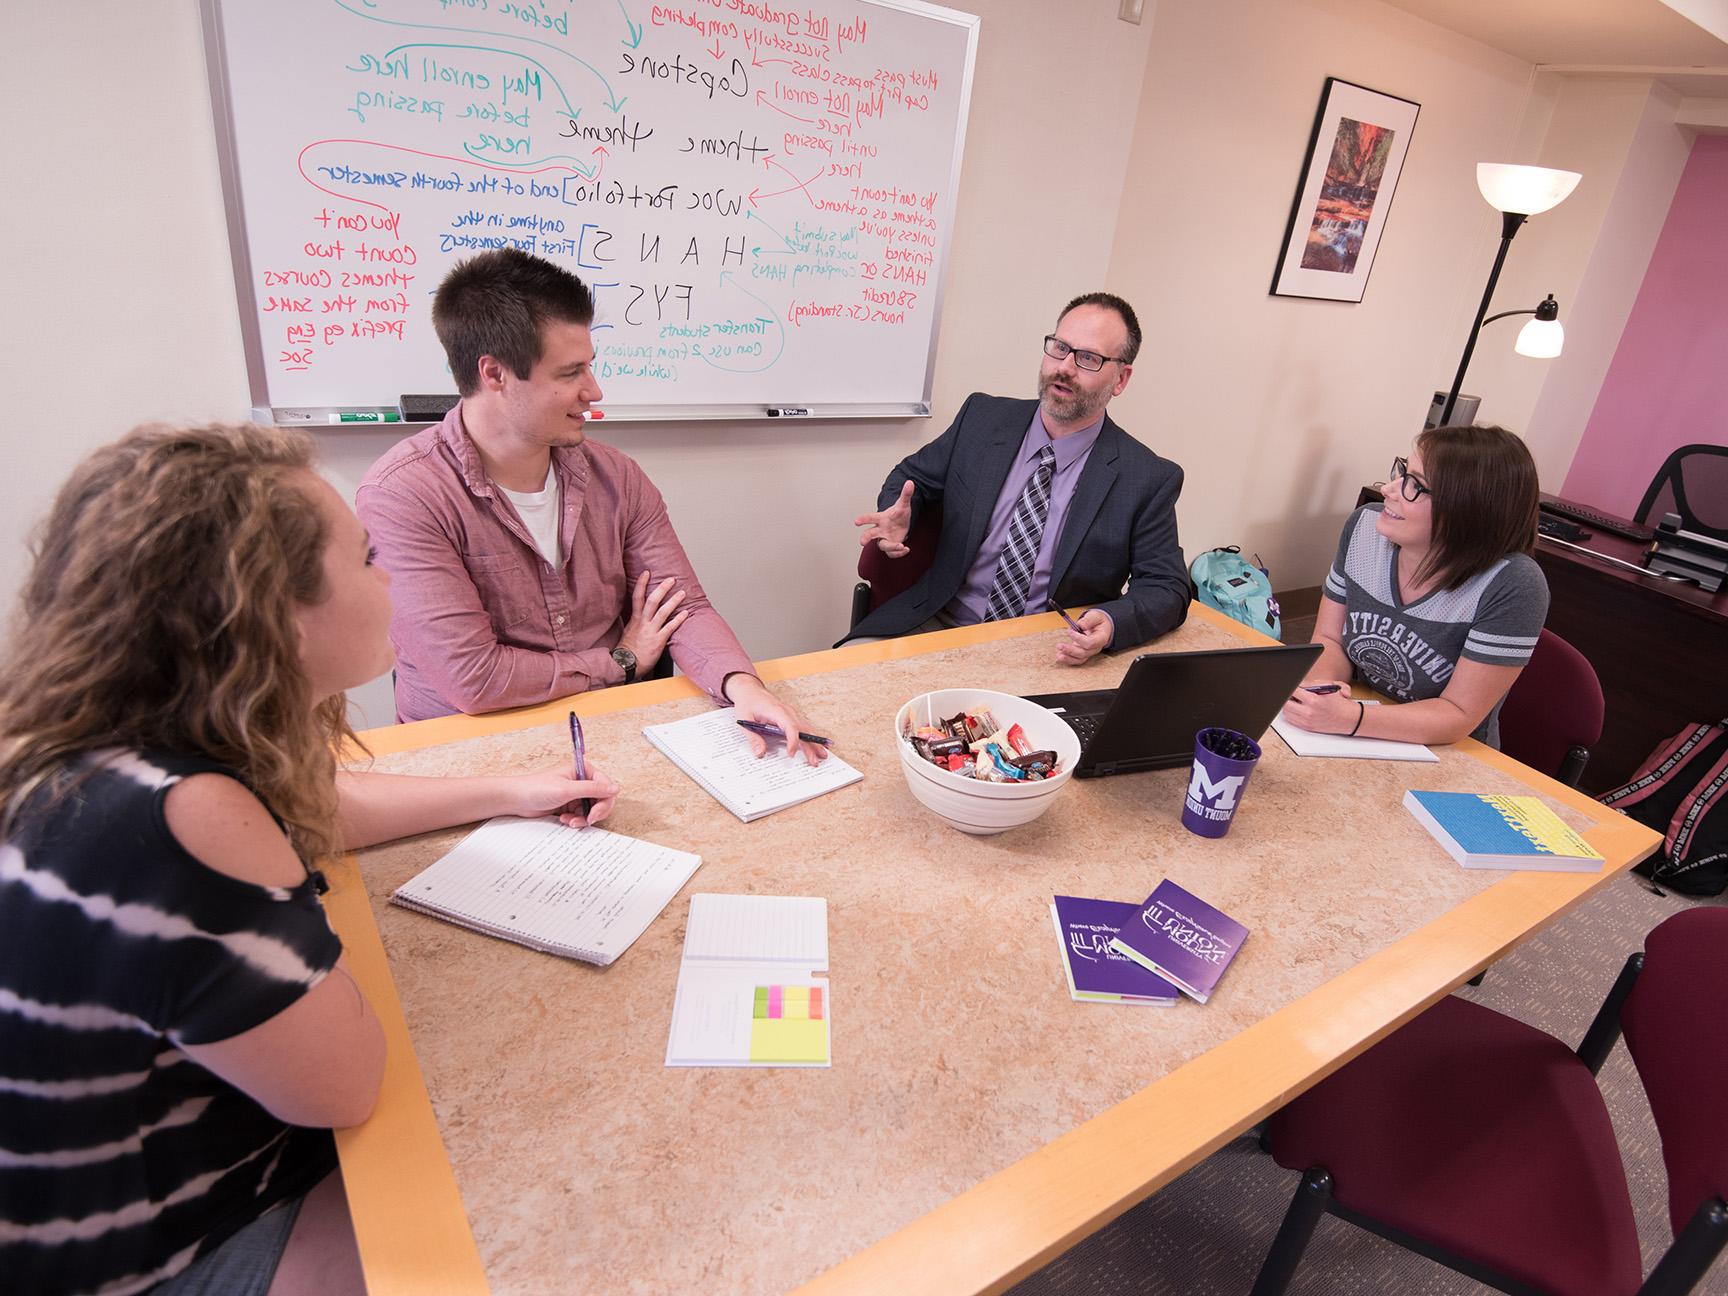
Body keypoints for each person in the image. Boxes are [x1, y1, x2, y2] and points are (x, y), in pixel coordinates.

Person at [0, 424, 619, 1296]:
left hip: (131, 1182)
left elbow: (323, 808)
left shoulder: (116, 738)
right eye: (367, 559)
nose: (390, 578)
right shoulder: (182, 818)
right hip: (166, 1253)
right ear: (276, 617)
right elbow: (345, 1086)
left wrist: (508, 791)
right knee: (530, 1185)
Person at [356, 249, 821, 763]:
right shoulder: (403, 496)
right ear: (495, 374)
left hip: (610, 733)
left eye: (590, 366)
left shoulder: (615, 477)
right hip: (472, 755)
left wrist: (743, 688)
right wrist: (620, 660)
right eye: (570, 372)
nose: (593, 391)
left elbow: (680, 606)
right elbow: (476, 679)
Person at [842, 292, 1188, 662]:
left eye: (1088, 358)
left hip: (1049, 651)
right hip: (938, 626)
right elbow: (913, 478)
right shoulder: (982, 419)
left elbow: (1166, 586)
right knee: (839, 683)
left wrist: (1111, 620)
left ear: (1121, 379)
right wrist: (902, 514)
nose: (1065, 368)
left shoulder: (1146, 477)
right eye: (1060, 348)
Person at [1281, 424, 1550, 748]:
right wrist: (1322, 690)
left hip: (1447, 752)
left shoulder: (1514, 584)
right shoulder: (1366, 528)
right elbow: (1330, 639)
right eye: (1402, 472)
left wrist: (1349, 719)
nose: (1389, 490)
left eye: (1415, 485)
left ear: (1467, 507)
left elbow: (1458, 714)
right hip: (1358, 721)